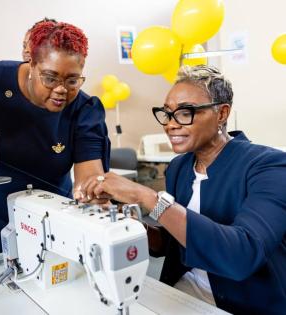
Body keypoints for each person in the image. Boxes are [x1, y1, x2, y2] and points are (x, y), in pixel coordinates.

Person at [76, 65, 286, 315]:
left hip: (242, 302)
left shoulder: (269, 166)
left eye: (185, 113)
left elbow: (242, 255)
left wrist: (146, 196)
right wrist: (132, 223)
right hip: (182, 290)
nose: (170, 125)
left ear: (222, 113)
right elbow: (174, 242)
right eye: (167, 114)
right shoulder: (179, 167)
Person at [0, 21, 110, 257]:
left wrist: (92, 198)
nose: (61, 89)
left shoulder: (84, 110)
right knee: (1, 275)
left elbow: (88, 177)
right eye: (50, 78)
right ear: (31, 63)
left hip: (53, 208)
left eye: (72, 80)